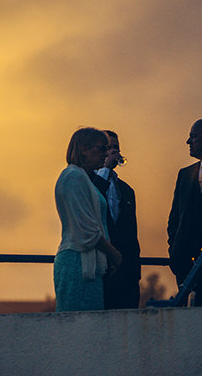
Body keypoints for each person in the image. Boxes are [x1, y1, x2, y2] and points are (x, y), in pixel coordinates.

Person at [54, 127, 123, 311]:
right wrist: (114, 254)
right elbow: (86, 230)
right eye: (101, 148)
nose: (106, 154)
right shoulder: (73, 177)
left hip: (88, 265)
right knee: (79, 326)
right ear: (84, 149)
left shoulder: (82, 178)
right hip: (78, 265)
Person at [166, 118, 202, 306]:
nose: (188, 142)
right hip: (185, 266)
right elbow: (175, 218)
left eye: (193, 137)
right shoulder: (185, 174)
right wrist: (175, 251)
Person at [91, 130, 141, 309]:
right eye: (107, 147)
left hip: (126, 273)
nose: (112, 152)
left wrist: (135, 271)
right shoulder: (87, 183)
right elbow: (93, 202)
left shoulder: (127, 190)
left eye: (116, 148)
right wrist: (104, 170)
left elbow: (131, 233)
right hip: (100, 269)